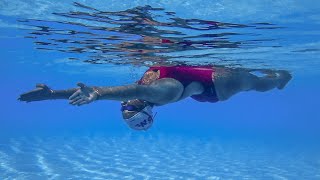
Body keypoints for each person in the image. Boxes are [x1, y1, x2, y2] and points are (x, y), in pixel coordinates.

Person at [18, 65, 292, 130]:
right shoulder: (163, 93)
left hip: (198, 83)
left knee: (256, 83)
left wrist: (52, 95)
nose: (125, 103)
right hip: (217, 84)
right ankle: (280, 79)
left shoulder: (146, 96)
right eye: (130, 107)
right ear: (145, 108)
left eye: (122, 107)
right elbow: (136, 90)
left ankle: (275, 80)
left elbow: (87, 91)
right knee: (259, 84)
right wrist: (100, 94)